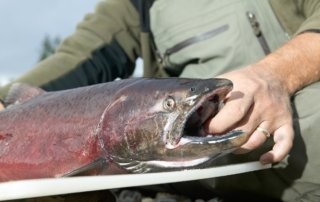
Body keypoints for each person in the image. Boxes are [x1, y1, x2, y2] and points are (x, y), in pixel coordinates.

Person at [1, 0, 320, 201]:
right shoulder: (136, 5)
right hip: (192, 164)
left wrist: (276, 74)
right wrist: (5, 103)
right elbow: (79, 58)